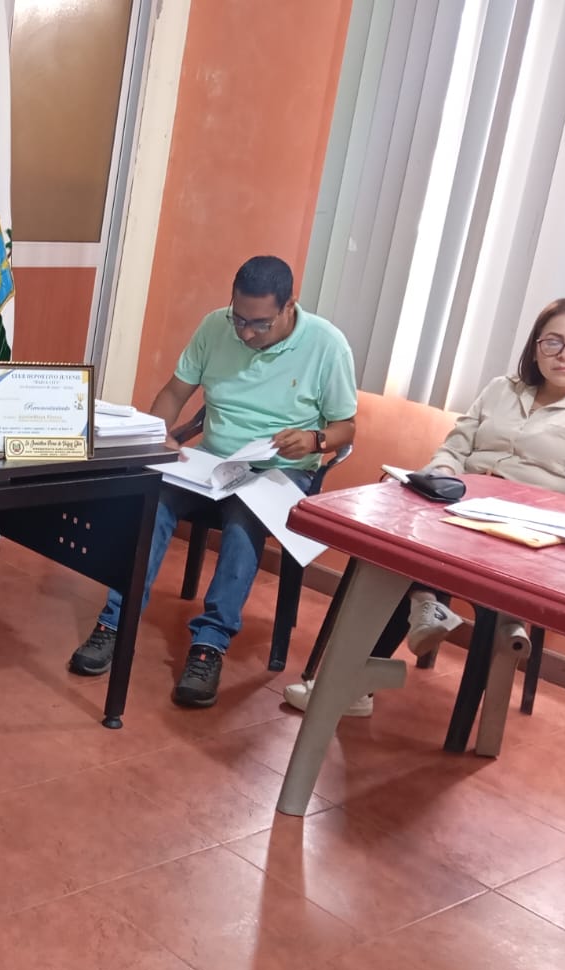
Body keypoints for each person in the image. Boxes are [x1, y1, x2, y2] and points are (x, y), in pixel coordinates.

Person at [284, 295, 565, 717]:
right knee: (386, 550)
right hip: (461, 510)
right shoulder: (501, 389)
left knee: (410, 564)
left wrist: (528, 519)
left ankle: (377, 653)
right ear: (536, 346)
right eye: (553, 342)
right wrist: (441, 482)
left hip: (529, 538)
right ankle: (385, 644)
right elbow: (455, 447)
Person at [68, 255, 357, 707]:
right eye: (238, 318)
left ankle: (210, 644)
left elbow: (346, 428)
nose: (245, 333)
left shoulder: (327, 345)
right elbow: (174, 392)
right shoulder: (214, 327)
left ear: (288, 306)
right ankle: (115, 621)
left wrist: (315, 439)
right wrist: (158, 433)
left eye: (259, 324)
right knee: (152, 498)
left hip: (280, 472)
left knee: (244, 518)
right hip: (212, 462)